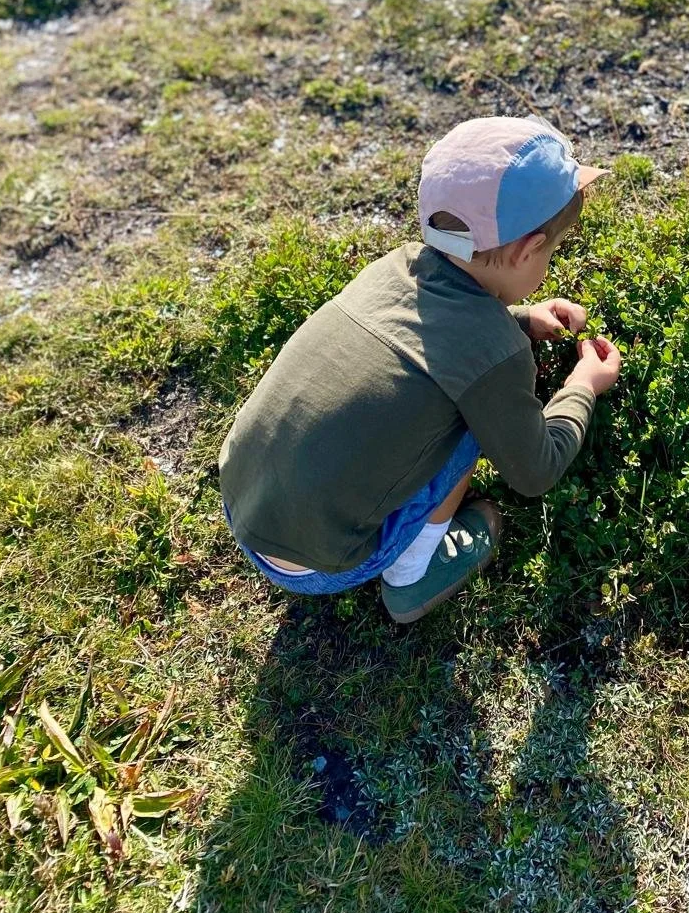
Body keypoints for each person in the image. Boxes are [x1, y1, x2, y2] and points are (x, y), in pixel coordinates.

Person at [218, 115, 622, 623]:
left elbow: (422, 336)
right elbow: (535, 470)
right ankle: (412, 575)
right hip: (318, 565)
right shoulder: (494, 352)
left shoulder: (395, 268)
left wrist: (518, 319)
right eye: (553, 251)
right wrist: (583, 385)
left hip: (242, 503)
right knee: (471, 423)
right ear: (528, 250)